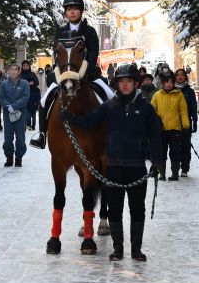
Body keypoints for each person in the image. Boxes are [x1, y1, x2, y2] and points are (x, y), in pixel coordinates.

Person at [63, 64, 162, 262]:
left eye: (129, 82)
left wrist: (158, 160)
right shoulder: (109, 106)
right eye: (122, 82)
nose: (125, 85)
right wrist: (72, 119)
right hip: (114, 167)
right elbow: (90, 121)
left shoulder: (146, 108)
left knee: (137, 209)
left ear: (136, 83)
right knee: (115, 209)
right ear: (118, 84)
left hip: (137, 167)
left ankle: (136, 250)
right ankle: (118, 249)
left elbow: (156, 135)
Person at [30, 0, 114, 149]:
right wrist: (60, 73)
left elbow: (92, 54)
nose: (72, 12)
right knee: (43, 101)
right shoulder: (60, 32)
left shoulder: (89, 31)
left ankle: (114, 133)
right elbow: (57, 55)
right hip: (63, 75)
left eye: (75, 8)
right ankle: (42, 134)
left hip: (89, 76)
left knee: (111, 96)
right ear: (65, 12)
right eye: (69, 9)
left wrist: (82, 74)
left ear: (81, 11)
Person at [151, 74, 190, 181]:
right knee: (162, 152)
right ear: (162, 83)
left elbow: (183, 110)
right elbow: (152, 110)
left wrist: (186, 124)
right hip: (161, 129)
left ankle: (175, 174)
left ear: (173, 83)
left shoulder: (179, 94)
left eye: (170, 82)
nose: (168, 84)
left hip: (175, 129)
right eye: (166, 82)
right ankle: (162, 174)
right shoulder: (157, 95)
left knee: (175, 152)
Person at [0, 64, 30, 167]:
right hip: (8, 114)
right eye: (11, 70)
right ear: (8, 71)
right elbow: (1, 97)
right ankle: (9, 157)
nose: (13, 72)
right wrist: (8, 106)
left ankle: (18, 158)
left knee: (20, 137)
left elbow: (26, 97)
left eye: (15, 70)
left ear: (19, 72)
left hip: (21, 114)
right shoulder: (4, 84)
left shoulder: (24, 84)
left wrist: (14, 106)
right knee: (8, 137)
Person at [174, 68, 198, 177]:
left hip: (186, 122)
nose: (180, 77)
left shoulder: (189, 91)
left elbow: (193, 107)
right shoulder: (172, 90)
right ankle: (175, 167)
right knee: (175, 147)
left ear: (185, 77)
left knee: (185, 146)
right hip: (173, 123)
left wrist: (195, 121)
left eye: (182, 75)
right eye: (178, 75)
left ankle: (185, 168)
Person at [20, 60, 40, 131]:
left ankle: (32, 125)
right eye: (24, 66)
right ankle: (26, 124)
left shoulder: (32, 74)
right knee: (25, 112)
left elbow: (37, 82)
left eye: (27, 65)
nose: (25, 67)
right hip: (23, 95)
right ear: (22, 67)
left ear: (29, 66)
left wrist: (33, 83)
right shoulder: (20, 75)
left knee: (32, 113)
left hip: (32, 94)